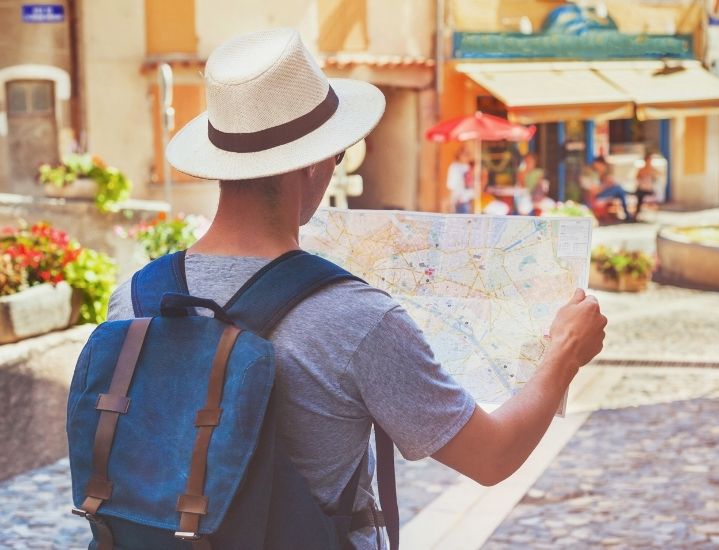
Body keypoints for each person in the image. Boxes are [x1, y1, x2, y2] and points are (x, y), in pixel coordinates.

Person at [106, 29, 607, 550]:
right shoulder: (356, 319)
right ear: (314, 164)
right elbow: (491, 457)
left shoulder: (134, 300)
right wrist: (565, 351)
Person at [588, 156, 634, 222]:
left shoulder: (604, 174)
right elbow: (594, 190)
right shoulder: (594, 174)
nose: (600, 167)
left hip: (605, 192)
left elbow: (608, 184)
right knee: (619, 190)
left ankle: (627, 214)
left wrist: (608, 183)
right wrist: (605, 185)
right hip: (598, 196)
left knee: (619, 189)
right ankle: (627, 215)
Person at [447, 148, 473, 213]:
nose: (466, 157)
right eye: (464, 155)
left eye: (467, 155)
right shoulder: (454, 167)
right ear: (459, 155)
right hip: (458, 200)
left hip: (467, 200)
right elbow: (451, 185)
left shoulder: (467, 167)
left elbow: (469, 185)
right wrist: (452, 202)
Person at [633, 152, 658, 219]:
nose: (649, 162)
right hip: (642, 189)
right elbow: (636, 179)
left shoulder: (653, 170)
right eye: (648, 160)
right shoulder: (641, 170)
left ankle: (652, 214)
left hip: (649, 189)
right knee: (639, 196)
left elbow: (656, 179)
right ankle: (636, 215)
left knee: (652, 197)